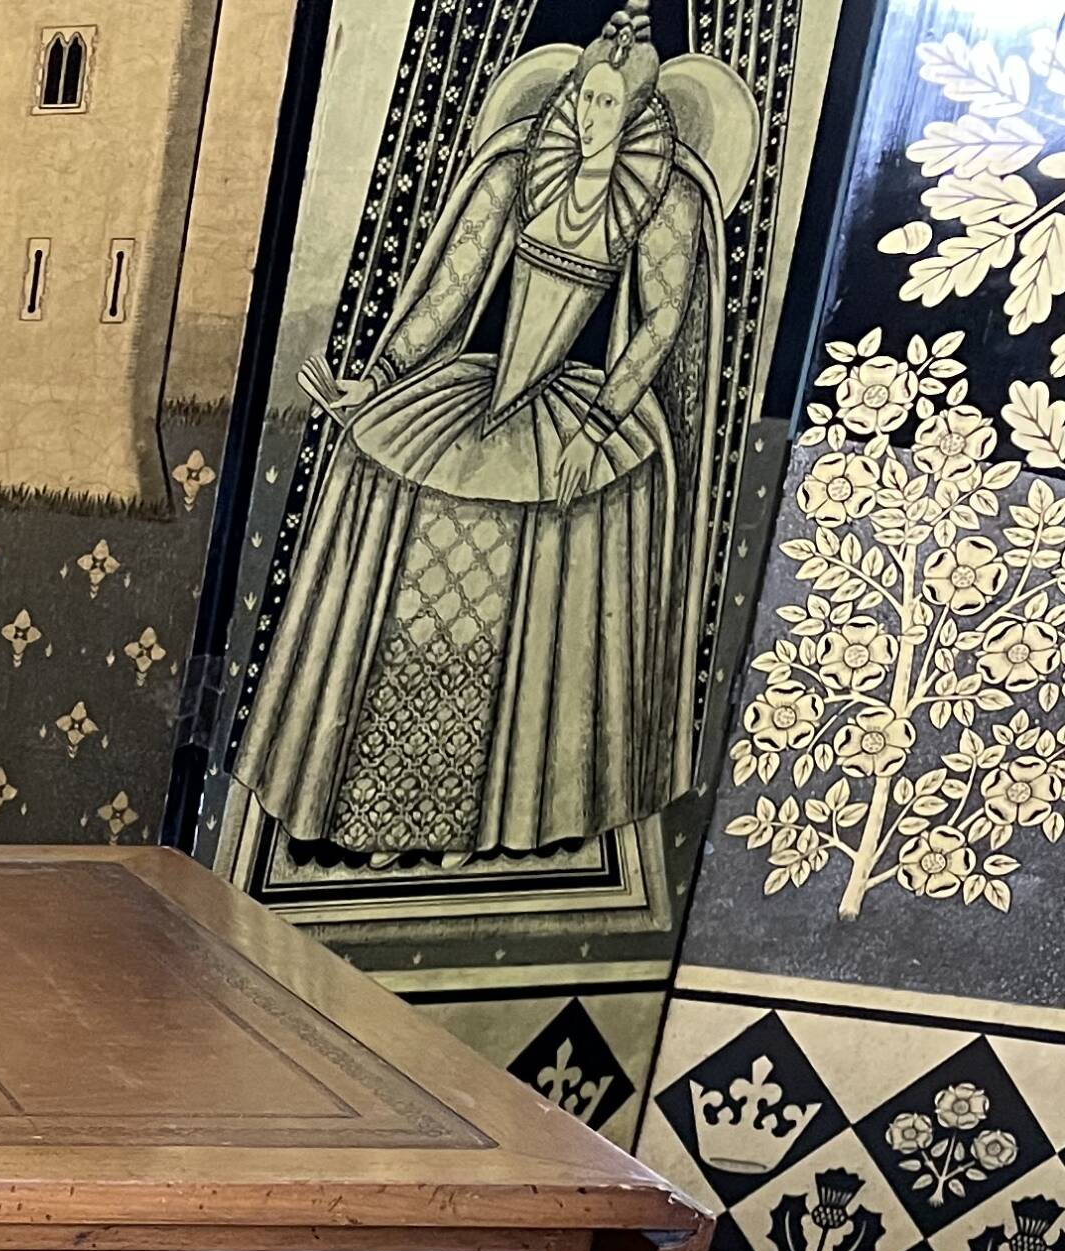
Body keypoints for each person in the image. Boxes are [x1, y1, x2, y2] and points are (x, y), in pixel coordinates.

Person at [234, 8, 748, 862]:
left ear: (641, 114)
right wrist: (385, 375)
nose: (589, 118)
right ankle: (380, 803)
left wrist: (602, 420)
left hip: (587, 408)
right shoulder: (520, 168)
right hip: (480, 396)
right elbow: (448, 289)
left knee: (539, 543)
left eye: (609, 105)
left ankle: (509, 816)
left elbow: (659, 326)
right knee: (403, 495)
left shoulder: (667, 197)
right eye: (584, 96)